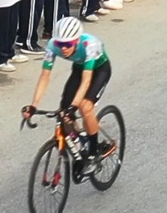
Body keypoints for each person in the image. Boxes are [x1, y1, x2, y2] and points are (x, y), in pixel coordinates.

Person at [21, 15, 112, 157]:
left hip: (100, 70)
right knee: (64, 110)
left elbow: (86, 81)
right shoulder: (52, 46)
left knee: (85, 106)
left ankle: (94, 152)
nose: (63, 48)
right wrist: (34, 105)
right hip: (79, 68)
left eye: (68, 44)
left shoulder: (89, 45)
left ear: (77, 40)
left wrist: (74, 106)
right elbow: (45, 76)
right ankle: (78, 139)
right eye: (60, 44)